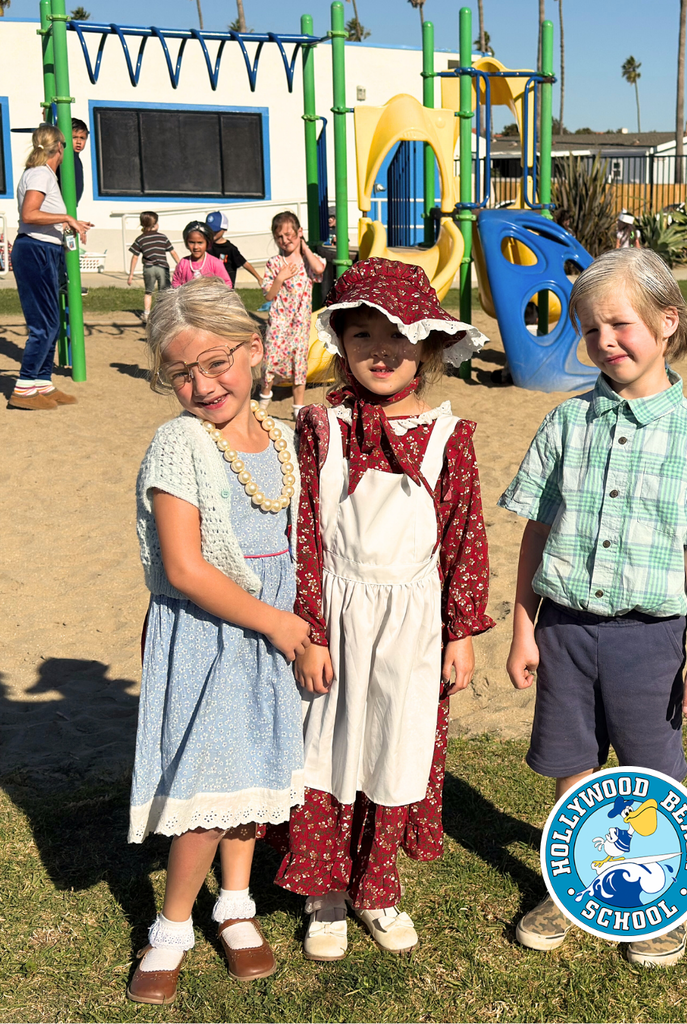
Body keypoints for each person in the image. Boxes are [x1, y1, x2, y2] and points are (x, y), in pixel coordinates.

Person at [499, 247, 687, 967]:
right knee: (573, 772)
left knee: (649, 778)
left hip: (650, 640)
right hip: (565, 633)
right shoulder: (564, 426)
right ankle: (573, 887)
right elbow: (535, 536)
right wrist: (523, 628)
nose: (604, 341)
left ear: (666, 321)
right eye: (589, 329)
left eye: (619, 323)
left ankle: (662, 901)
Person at [271, 258, 494, 961]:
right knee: (327, 746)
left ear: (427, 346)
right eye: (363, 332)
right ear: (341, 340)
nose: (380, 350)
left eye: (398, 336)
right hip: (337, 610)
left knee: (394, 747)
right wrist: (309, 628)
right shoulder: (321, 427)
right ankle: (324, 892)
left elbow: (465, 535)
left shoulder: (447, 436)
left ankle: (376, 887)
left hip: (413, 621)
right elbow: (301, 527)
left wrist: (460, 632)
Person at [128, 277, 309, 1005]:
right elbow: (184, 566)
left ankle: (235, 905)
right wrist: (279, 624)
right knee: (208, 782)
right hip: (216, 634)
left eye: (217, 362)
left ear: (256, 350)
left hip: (275, 635)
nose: (203, 385)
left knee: (252, 775)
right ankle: (170, 927)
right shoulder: (178, 444)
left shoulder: (286, 438)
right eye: (181, 373)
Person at [9, 124, 93, 411]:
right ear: (59, 147)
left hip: (45, 249)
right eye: (69, 143)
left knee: (53, 323)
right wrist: (68, 217)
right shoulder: (40, 174)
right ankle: (23, 388)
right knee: (43, 325)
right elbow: (29, 214)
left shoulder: (44, 175)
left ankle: (42, 383)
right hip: (35, 251)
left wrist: (69, 224)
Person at [259, 211, 326, 419]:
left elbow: (319, 269)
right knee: (270, 359)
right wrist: (280, 277)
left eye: (289, 234)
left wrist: (304, 247)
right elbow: (269, 294)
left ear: (299, 232)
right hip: (279, 321)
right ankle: (264, 397)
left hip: (300, 323)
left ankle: (298, 408)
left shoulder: (308, 261)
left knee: (299, 363)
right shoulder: (274, 263)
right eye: (279, 236)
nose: (285, 240)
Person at [127, 211, 180, 323]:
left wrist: (131, 274)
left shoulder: (140, 239)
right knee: (164, 292)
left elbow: (135, 257)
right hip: (162, 268)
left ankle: (147, 314)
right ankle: (163, 314)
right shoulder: (162, 237)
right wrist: (180, 264)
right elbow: (173, 252)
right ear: (155, 225)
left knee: (148, 292)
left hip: (149, 268)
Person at [206, 210, 264, 288]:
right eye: (210, 230)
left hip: (226, 289)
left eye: (215, 230)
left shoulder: (230, 249)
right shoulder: (206, 245)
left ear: (224, 229)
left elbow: (244, 263)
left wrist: (259, 278)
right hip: (209, 287)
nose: (212, 233)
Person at [171, 221, 231, 289]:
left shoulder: (215, 263)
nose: (196, 247)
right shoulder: (183, 263)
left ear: (207, 243)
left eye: (200, 243)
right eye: (192, 242)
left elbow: (226, 284)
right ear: (186, 243)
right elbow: (175, 282)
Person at [71, 117, 88, 202]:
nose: (78, 141)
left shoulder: (76, 158)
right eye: (74, 137)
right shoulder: (68, 158)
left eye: (82, 138)